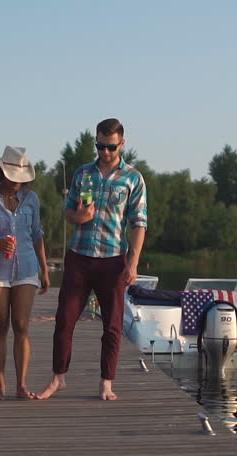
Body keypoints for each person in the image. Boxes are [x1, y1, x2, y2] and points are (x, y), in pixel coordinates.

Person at [37, 118, 147, 401]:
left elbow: (139, 223)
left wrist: (133, 263)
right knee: (65, 319)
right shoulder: (83, 173)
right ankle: (57, 378)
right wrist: (79, 216)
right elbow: (67, 212)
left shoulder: (133, 178)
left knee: (112, 324)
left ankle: (106, 383)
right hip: (79, 256)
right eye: (100, 146)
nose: (105, 152)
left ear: (122, 144)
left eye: (110, 147)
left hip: (113, 259)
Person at [0, 146, 50, 400]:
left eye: (22, 178)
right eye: (13, 177)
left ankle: (21, 384)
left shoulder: (32, 199)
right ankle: (0, 384)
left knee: (21, 324)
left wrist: (44, 268)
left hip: (27, 267)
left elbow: (37, 234)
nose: (18, 183)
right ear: (1, 173)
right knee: (1, 325)